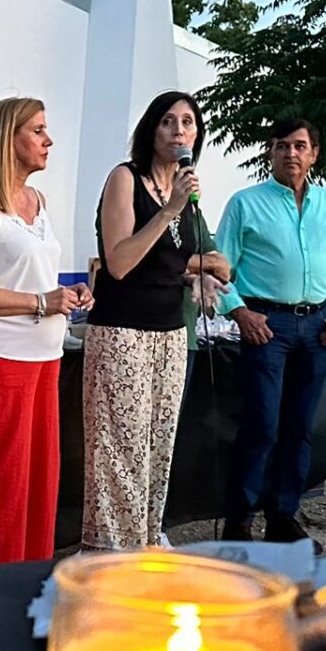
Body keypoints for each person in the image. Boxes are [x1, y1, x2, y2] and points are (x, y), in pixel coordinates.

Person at [82, 90, 231, 550]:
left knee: (158, 444)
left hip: (171, 332)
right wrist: (168, 210)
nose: (179, 130)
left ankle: (145, 540)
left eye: (188, 122)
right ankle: (110, 548)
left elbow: (208, 260)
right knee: (119, 445)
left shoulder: (186, 193)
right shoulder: (125, 180)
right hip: (122, 330)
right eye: (169, 121)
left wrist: (195, 275)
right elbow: (120, 261)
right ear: (152, 129)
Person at [0, 97, 87, 565]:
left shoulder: (38, 201)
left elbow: (30, 276)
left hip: (43, 361)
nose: (49, 141)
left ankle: (25, 585)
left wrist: (68, 294)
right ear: (8, 139)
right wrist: (41, 303)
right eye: (38, 131)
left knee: (36, 486)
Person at [216, 117, 326, 545]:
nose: (291, 153)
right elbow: (219, 266)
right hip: (266, 324)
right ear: (271, 152)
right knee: (262, 425)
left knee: (301, 427)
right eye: (282, 145)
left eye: (301, 146)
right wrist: (239, 312)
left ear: (314, 154)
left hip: (319, 325)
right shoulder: (246, 203)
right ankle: (240, 521)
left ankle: (284, 516)